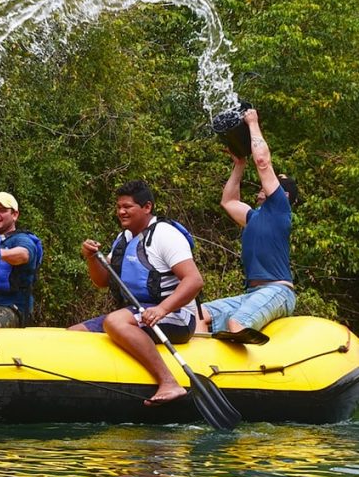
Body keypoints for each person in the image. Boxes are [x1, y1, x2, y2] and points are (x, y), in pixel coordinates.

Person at [69, 180, 203, 406]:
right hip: (138, 312)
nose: (121, 212)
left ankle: (169, 382)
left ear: (147, 207)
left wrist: (161, 309)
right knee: (73, 333)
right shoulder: (124, 239)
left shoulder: (165, 235)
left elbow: (194, 281)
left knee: (116, 321)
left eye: (127, 206)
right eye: (119, 206)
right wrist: (91, 258)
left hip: (176, 315)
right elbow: (101, 281)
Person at [197, 108, 298, 344]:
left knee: (237, 324)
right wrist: (239, 164)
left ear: (283, 194)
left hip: (278, 291)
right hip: (252, 294)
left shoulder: (280, 209)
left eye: (270, 185)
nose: (263, 187)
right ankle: (199, 369)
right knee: (197, 315)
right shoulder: (254, 217)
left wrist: (252, 123)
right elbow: (228, 201)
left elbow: (262, 162)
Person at [0, 192, 43, 328]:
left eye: (2, 211)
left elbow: (23, 254)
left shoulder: (21, 239)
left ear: (15, 215)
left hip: (12, 307)